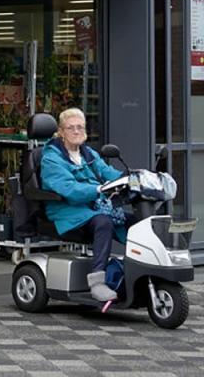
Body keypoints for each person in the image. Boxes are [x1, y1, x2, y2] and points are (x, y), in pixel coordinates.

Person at [40, 107, 134, 302]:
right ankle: (97, 283)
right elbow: (69, 189)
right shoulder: (51, 158)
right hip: (65, 209)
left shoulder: (88, 153)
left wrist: (133, 179)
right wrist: (98, 190)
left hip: (92, 205)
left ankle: (139, 270)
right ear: (61, 132)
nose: (76, 131)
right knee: (103, 223)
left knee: (136, 222)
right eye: (71, 128)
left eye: (80, 127)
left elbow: (108, 173)